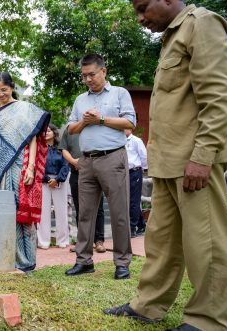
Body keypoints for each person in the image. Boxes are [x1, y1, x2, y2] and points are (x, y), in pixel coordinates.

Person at [105, 1, 227, 330]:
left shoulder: (203, 25)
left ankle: (208, 319)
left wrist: (203, 156)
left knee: (205, 242)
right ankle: (148, 305)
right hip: (167, 161)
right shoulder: (172, 37)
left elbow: (218, 97)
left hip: (194, 161)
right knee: (161, 242)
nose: (140, 19)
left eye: (142, 8)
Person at [64, 54, 135, 280]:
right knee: (84, 213)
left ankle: (122, 263)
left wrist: (101, 119)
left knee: (119, 213)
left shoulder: (119, 93)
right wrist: (85, 121)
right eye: (84, 76)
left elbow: (130, 123)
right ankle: (84, 261)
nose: (88, 79)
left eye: (92, 74)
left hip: (112, 158)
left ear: (103, 71)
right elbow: (71, 130)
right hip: (86, 161)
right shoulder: (80, 100)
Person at [0, 71, 50, 273]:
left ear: (12, 88)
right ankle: (1, 257)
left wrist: (30, 168)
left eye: (4, 90)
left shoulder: (24, 110)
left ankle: (25, 261)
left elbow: (32, 139)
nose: (0, 94)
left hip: (20, 165)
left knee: (21, 208)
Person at [61, 127, 107, 253]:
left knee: (98, 208)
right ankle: (82, 241)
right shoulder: (70, 129)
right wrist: (74, 162)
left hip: (95, 172)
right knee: (80, 207)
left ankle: (99, 241)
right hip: (76, 172)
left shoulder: (96, 128)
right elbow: (64, 149)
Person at [37, 124, 70, 249]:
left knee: (62, 211)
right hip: (43, 182)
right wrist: (47, 179)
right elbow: (37, 166)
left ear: (54, 133)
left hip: (60, 182)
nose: (46, 133)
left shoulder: (61, 148)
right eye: (44, 131)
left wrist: (57, 179)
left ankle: (62, 240)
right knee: (43, 212)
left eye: (49, 130)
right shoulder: (39, 149)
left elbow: (65, 165)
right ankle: (43, 241)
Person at [124, 128, 147, 237]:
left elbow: (144, 156)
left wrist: (142, 169)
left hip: (135, 171)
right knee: (127, 200)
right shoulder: (120, 142)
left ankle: (132, 227)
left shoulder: (136, 141)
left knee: (134, 200)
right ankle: (141, 224)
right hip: (124, 173)